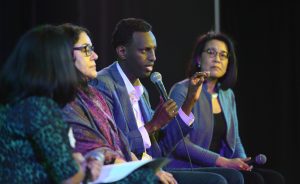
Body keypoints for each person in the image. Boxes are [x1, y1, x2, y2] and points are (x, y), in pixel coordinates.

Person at [91, 18, 244, 184]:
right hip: (131, 172)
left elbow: (163, 147)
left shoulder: (141, 89)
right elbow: (112, 145)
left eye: (154, 50)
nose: (153, 57)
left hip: (155, 167)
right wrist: (153, 125)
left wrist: (190, 101)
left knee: (235, 177)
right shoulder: (103, 84)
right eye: (145, 50)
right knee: (217, 181)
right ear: (122, 51)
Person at [168, 31, 285, 184]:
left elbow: (234, 139)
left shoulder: (227, 94)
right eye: (211, 52)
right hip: (189, 166)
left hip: (220, 165)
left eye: (223, 55)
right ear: (198, 58)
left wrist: (244, 162)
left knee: (274, 178)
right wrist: (223, 161)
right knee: (249, 180)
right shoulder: (182, 90)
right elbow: (179, 144)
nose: (217, 59)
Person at [0, 25, 101, 184]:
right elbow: (69, 178)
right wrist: (84, 168)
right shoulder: (39, 107)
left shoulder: (11, 104)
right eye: (66, 60)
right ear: (57, 64)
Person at [60, 23, 158, 183]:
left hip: (126, 167)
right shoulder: (65, 100)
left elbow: (120, 142)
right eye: (86, 50)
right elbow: (93, 147)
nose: (95, 56)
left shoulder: (93, 94)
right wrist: (154, 125)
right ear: (64, 55)